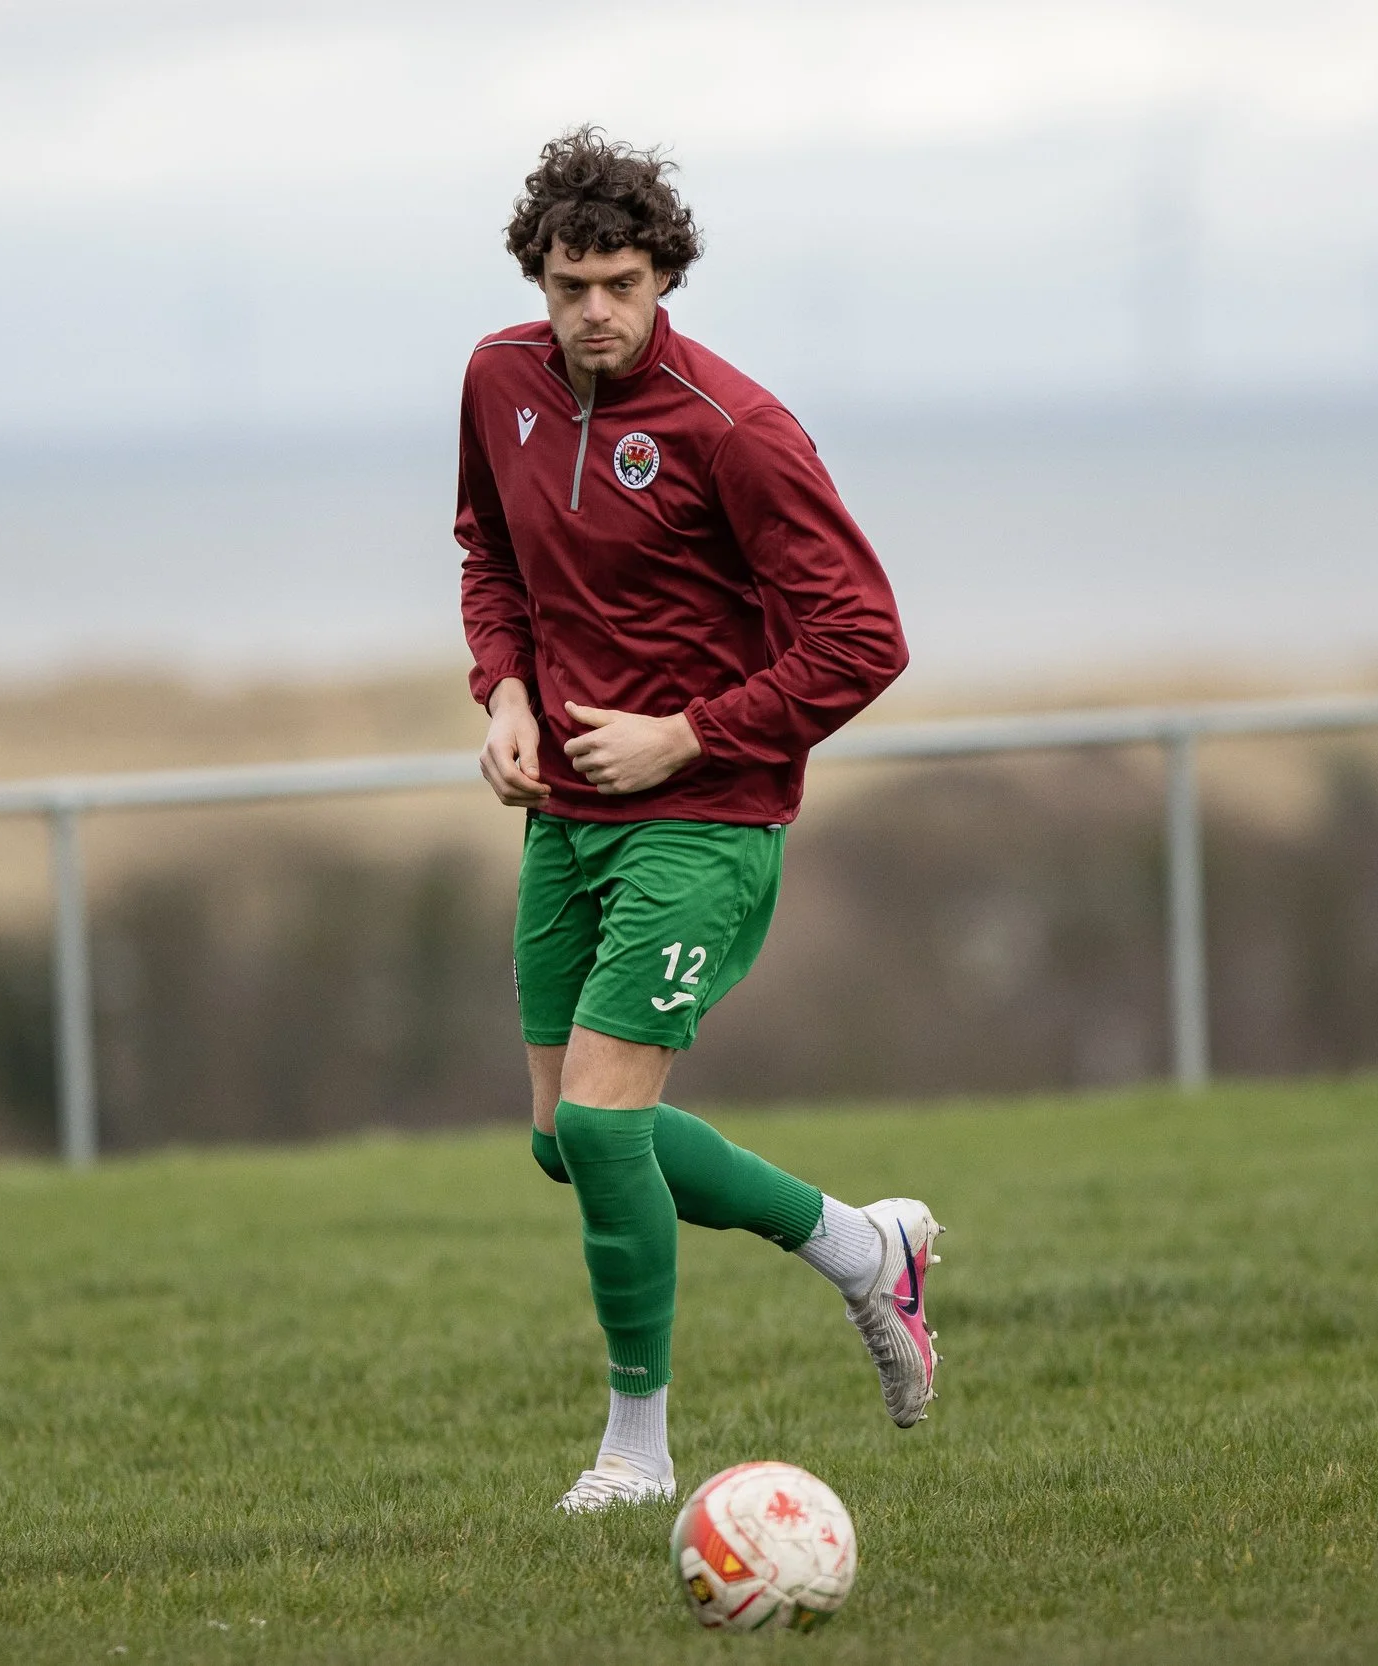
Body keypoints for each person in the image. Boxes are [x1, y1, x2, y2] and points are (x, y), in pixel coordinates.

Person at [457, 127, 940, 1515]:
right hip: (564, 815)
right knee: (567, 1140)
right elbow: (489, 551)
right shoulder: (500, 383)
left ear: (665, 272)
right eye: (568, 285)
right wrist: (504, 693)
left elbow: (863, 637)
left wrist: (689, 731)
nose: (593, 311)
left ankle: (635, 1451)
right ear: (537, 280)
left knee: (610, 1132)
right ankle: (861, 1247)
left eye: (619, 281)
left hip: (709, 813)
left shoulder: (735, 430)